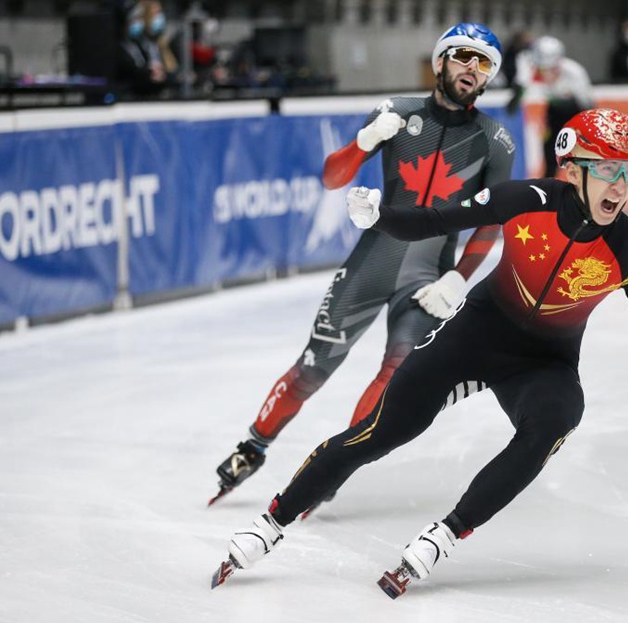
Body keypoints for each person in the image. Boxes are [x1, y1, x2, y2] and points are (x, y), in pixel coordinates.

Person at [212, 107, 628, 596]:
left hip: (544, 364)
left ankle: (444, 536)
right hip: (475, 335)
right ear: (574, 171)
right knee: (383, 431)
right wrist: (379, 218)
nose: (621, 186)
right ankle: (270, 525)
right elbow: (441, 220)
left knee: (557, 418)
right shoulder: (528, 199)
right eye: (610, 171)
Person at [209, 23, 516, 505]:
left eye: (482, 64)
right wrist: (365, 140)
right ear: (440, 62)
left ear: (489, 77)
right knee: (314, 367)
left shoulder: (495, 141)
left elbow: (492, 220)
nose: (470, 70)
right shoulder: (395, 112)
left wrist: (459, 277)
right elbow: (332, 179)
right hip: (371, 264)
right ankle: (253, 445)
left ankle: (333, 468)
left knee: (395, 376)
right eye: (462, 57)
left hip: (428, 277)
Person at [512, 35, 593, 177]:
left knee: (580, 155)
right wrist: (518, 91)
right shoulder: (532, 68)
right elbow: (519, 91)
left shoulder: (574, 72)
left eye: (551, 69)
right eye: (543, 69)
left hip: (576, 113)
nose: (547, 74)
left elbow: (587, 106)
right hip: (554, 112)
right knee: (550, 152)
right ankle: (548, 187)